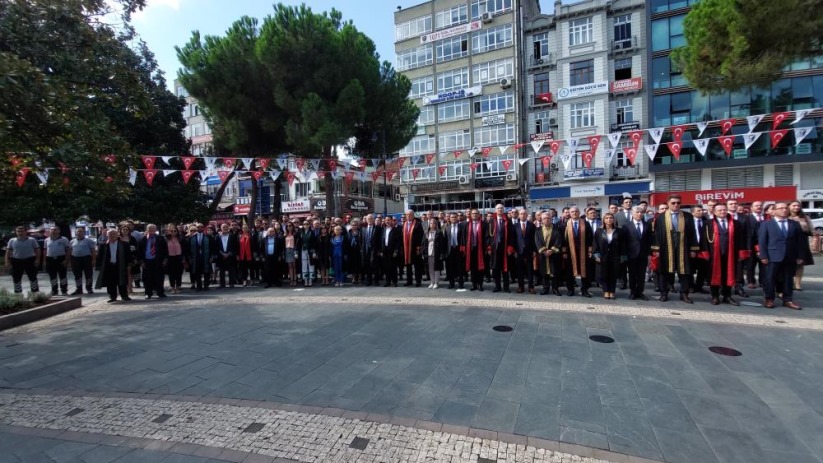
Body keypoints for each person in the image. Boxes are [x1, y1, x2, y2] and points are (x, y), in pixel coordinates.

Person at [651, 195, 698, 303]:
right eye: (673, 203)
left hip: (683, 247)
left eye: (678, 203)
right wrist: (656, 250)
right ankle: (664, 293)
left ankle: (684, 294)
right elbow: (657, 234)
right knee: (664, 272)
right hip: (666, 248)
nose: (676, 205)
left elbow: (692, 233)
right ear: (668, 203)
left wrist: (693, 249)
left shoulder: (687, 216)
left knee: (684, 272)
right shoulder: (660, 217)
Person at [759, 202, 804, 310]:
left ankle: (788, 299)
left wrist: (800, 256)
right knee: (770, 278)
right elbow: (762, 241)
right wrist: (763, 256)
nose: (784, 210)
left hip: (790, 256)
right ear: (773, 211)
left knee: (788, 279)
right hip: (772, 256)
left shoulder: (794, 224)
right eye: (780, 208)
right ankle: (769, 299)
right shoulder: (766, 224)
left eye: (785, 208)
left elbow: (800, 241)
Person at [702, 203, 747, 306]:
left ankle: (727, 296)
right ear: (714, 212)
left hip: (731, 254)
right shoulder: (708, 223)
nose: (722, 212)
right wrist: (705, 252)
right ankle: (715, 296)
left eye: (724, 210)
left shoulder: (735, 223)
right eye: (719, 210)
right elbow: (704, 239)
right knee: (714, 275)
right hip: (714, 255)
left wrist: (741, 252)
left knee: (729, 275)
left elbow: (741, 239)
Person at [562, 206, 593, 297]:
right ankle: (570, 289)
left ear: (579, 213)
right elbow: (563, 240)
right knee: (569, 272)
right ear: (570, 213)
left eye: (576, 211)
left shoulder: (586, 224)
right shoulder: (565, 225)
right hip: (570, 253)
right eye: (572, 212)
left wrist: (590, 251)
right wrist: (564, 252)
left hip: (583, 252)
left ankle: (584, 290)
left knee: (585, 272)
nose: (574, 213)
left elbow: (590, 238)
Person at [593, 213, 625, 300]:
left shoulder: (619, 231)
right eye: (606, 218)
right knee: (604, 274)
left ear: (614, 219)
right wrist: (596, 255)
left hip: (615, 256)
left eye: (611, 218)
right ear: (603, 220)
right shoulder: (599, 231)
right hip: (603, 256)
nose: (609, 219)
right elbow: (595, 244)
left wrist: (623, 256)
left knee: (613, 274)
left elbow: (623, 244)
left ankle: (612, 291)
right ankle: (606, 291)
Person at [623, 206, 652, 301]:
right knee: (632, 274)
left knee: (641, 274)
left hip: (643, 254)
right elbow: (624, 241)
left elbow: (649, 241)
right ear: (632, 213)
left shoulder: (647, 225)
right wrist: (625, 254)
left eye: (641, 212)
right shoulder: (627, 226)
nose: (639, 214)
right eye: (637, 212)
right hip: (631, 255)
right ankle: (632, 292)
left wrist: (649, 254)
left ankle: (640, 292)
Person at [95, 229, 131, 303]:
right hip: (109, 266)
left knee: (122, 281)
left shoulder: (124, 244)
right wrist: (98, 266)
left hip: (120, 265)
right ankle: (112, 297)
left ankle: (124, 296)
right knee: (110, 282)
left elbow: (128, 255)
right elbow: (99, 257)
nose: (112, 235)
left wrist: (129, 264)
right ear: (107, 235)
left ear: (117, 235)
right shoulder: (103, 245)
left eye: (114, 234)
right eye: (110, 234)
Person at [4, 225, 41, 294]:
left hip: (30, 260)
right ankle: (18, 294)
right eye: (18, 231)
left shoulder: (32, 240)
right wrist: (7, 261)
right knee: (16, 278)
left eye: (22, 231)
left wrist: (37, 259)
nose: (20, 233)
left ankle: (35, 293)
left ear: (25, 232)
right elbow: (8, 252)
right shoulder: (12, 240)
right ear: (16, 232)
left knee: (33, 277)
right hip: (16, 261)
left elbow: (37, 250)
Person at [488, 204, 516, 293]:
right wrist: (488, 247)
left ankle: (506, 287)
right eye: (498, 208)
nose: (500, 209)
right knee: (495, 269)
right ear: (495, 210)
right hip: (494, 248)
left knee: (505, 269)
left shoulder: (508, 220)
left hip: (505, 248)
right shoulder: (491, 221)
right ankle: (497, 286)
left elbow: (512, 235)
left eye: (501, 208)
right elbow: (487, 236)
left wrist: (510, 247)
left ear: (503, 210)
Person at [788, 201, 815, 291]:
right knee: (789, 264)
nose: (796, 207)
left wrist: (813, 236)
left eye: (798, 205)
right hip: (789, 242)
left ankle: (798, 284)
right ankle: (789, 282)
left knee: (800, 264)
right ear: (789, 206)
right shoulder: (786, 217)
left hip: (802, 242)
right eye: (794, 205)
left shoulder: (805, 217)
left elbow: (811, 230)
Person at [136, 224, 168, 299]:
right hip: (147, 261)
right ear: (147, 230)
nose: (152, 231)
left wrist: (165, 259)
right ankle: (148, 293)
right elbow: (139, 252)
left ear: (155, 229)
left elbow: (165, 250)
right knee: (147, 278)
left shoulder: (160, 238)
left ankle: (160, 292)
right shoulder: (142, 239)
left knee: (159, 277)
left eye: (153, 229)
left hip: (158, 261)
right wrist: (141, 261)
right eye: (150, 229)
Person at [535, 211, 562, 296]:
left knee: (555, 272)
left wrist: (552, 250)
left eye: (548, 218)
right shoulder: (538, 230)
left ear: (551, 219)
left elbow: (559, 240)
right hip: (543, 255)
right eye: (544, 218)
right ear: (541, 220)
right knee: (544, 273)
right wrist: (544, 251)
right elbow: (537, 241)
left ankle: (555, 289)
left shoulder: (557, 228)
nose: (546, 220)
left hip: (554, 255)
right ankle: (545, 288)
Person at [744, 201, 767, 289]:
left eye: (760, 205)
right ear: (752, 208)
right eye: (756, 205)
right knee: (751, 264)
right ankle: (750, 281)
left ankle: (763, 281)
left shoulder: (766, 218)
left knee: (764, 264)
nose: (759, 207)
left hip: (763, 245)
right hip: (751, 245)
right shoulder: (747, 218)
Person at [463, 209, 487, 291]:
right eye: (473, 213)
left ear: (479, 214)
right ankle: (474, 284)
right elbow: (464, 237)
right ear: (470, 215)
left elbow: (486, 237)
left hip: (480, 249)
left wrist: (487, 248)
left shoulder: (483, 224)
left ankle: (480, 284)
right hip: (470, 249)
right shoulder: (467, 225)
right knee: (473, 268)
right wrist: (464, 248)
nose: (474, 215)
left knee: (480, 268)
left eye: (476, 213)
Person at [69, 226, 97, 295]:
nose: (79, 233)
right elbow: (70, 251)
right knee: (77, 275)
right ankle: (79, 289)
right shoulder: (72, 241)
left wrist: (94, 259)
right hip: (75, 259)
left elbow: (93, 250)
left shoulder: (88, 241)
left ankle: (89, 288)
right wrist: (69, 261)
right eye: (78, 231)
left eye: (81, 231)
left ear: (83, 232)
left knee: (88, 274)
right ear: (76, 233)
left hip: (86, 259)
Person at [514, 209, 536, 294]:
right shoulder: (515, 226)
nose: (523, 215)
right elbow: (514, 239)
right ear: (519, 215)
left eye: (524, 214)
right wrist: (514, 250)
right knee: (520, 270)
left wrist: (534, 250)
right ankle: (521, 286)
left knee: (530, 270)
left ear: (527, 215)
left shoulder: (532, 225)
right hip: (518, 251)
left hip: (529, 251)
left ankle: (531, 287)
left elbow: (534, 239)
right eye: (521, 214)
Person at [186, 223, 213, 291]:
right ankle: (199, 286)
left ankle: (206, 286)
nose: (200, 228)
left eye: (201, 227)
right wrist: (189, 258)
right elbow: (188, 249)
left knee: (206, 272)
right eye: (198, 227)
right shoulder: (192, 237)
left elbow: (213, 248)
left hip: (206, 257)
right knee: (197, 272)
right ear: (196, 228)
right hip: (196, 257)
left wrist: (212, 257)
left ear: (203, 228)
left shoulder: (208, 237)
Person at [44, 226, 70, 296]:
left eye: (55, 230)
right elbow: (45, 250)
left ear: (59, 231)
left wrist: (66, 260)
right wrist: (44, 261)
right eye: (52, 229)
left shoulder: (64, 239)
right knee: (52, 276)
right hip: (50, 259)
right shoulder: (46, 240)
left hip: (61, 259)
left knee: (63, 276)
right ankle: (54, 291)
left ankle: (64, 290)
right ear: (50, 231)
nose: (53, 231)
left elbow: (68, 250)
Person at [401, 210, 424, 287]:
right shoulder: (404, 224)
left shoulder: (417, 224)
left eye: (410, 215)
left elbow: (421, 236)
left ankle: (418, 281)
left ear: (413, 215)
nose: (408, 216)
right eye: (407, 215)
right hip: (406, 249)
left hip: (415, 248)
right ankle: (409, 281)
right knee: (408, 266)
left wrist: (419, 247)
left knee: (417, 266)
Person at [422, 218, 447, 289]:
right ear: (429, 225)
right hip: (428, 252)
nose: (432, 224)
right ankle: (432, 282)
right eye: (431, 223)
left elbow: (442, 244)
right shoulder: (426, 232)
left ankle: (436, 282)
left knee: (437, 268)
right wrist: (423, 252)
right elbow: (423, 243)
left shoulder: (439, 233)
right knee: (430, 268)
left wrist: (442, 253)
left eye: (433, 223)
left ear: (436, 224)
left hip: (436, 252)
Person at [690, 205, 709, 294]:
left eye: (701, 210)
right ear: (693, 212)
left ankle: (699, 286)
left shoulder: (707, 221)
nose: (701, 212)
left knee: (703, 270)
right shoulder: (688, 222)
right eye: (698, 211)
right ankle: (690, 286)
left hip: (703, 249)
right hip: (691, 249)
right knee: (690, 269)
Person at [443, 212, 465, 289]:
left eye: (455, 217)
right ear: (450, 218)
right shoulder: (447, 228)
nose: (453, 218)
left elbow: (464, 238)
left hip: (459, 250)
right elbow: (445, 240)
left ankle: (461, 283)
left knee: (460, 268)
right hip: (450, 250)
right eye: (452, 217)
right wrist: (444, 252)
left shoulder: (461, 227)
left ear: (457, 218)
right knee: (450, 268)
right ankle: (451, 283)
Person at [215, 223, 238, 288]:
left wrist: (228, 254)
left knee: (231, 270)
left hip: (230, 256)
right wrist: (222, 253)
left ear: (228, 228)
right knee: (221, 271)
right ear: (221, 228)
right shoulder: (217, 236)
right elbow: (216, 247)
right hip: (221, 256)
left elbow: (235, 246)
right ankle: (222, 284)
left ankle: (231, 283)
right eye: (223, 227)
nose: (225, 228)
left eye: (226, 227)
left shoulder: (232, 236)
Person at [361, 214, 381, 286]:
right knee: (367, 266)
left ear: (373, 220)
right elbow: (362, 240)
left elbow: (380, 240)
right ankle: (368, 280)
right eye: (368, 219)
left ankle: (376, 281)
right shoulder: (363, 229)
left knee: (375, 266)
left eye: (371, 219)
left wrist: (379, 250)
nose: (370, 220)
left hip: (374, 250)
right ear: (366, 220)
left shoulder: (378, 228)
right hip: (366, 250)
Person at [380, 217, 400, 287]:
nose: (387, 221)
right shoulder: (384, 229)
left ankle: (394, 281)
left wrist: (396, 251)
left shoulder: (395, 230)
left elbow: (398, 242)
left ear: (391, 221)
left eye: (388, 220)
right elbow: (381, 241)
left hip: (392, 250)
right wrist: (381, 251)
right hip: (385, 250)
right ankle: (387, 281)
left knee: (393, 267)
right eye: (386, 220)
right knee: (386, 267)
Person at [165, 224, 184, 294]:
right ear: (169, 231)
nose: (173, 232)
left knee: (179, 273)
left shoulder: (180, 239)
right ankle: (173, 287)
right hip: (170, 258)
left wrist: (184, 258)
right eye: (171, 231)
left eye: (175, 231)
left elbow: (184, 249)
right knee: (171, 274)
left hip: (179, 257)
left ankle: (178, 287)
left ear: (177, 231)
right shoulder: (166, 239)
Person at [346, 220, 362, 285]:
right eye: (352, 225)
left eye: (355, 225)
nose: (354, 226)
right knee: (352, 264)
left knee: (359, 264)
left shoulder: (360, 232)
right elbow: (347, 241)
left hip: (358, 250)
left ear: (357, 226)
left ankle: (359, 278)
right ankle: (354, 278)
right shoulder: (349, 232)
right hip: (351, 250)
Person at [284, 222, 298, 286]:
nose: (289, 227)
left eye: (290, 226)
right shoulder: (285, 234)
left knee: (294, 266)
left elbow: (297, 244)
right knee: (289, 266)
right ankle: (291, 280)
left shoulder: (295, 234)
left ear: (292, 226)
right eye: (288, 226)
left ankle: (295, 280)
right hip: (287, 250)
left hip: (293, 250)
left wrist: (296, 252)